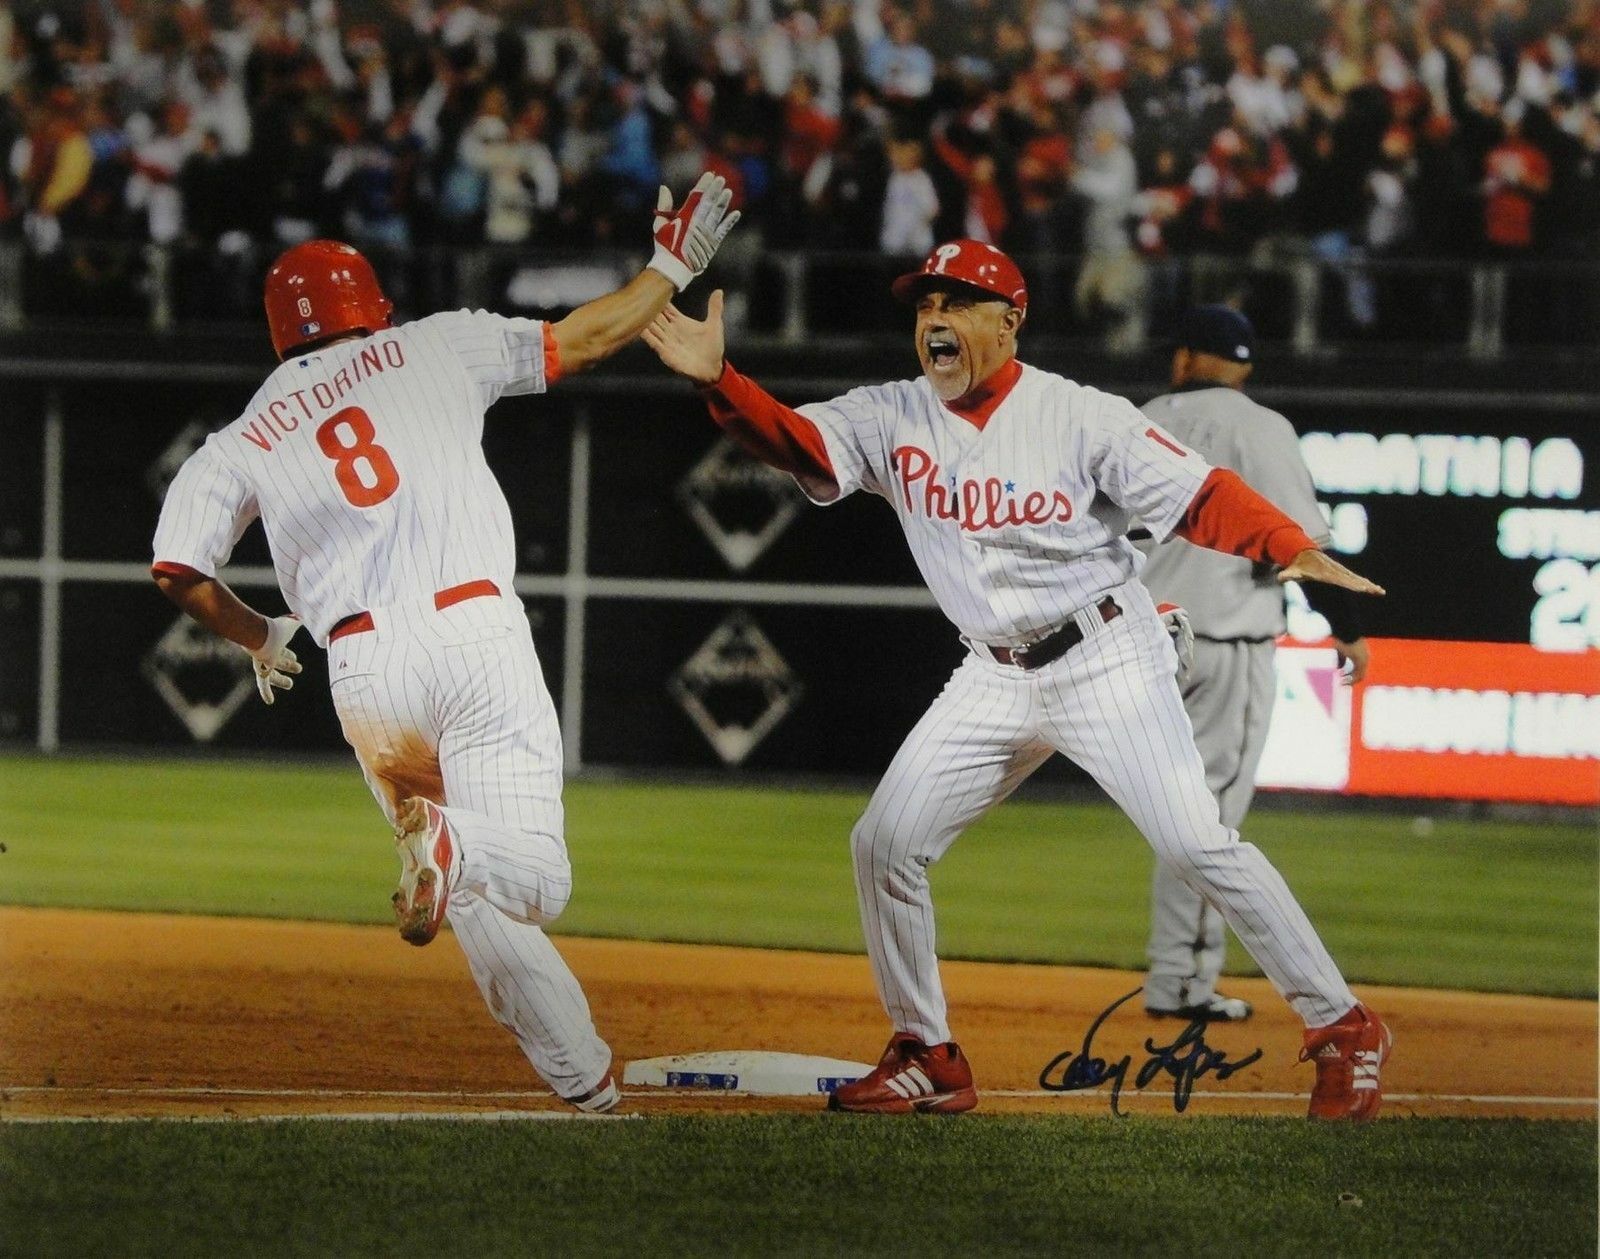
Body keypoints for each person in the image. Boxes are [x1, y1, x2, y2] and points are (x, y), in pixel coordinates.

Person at [642, 239, 1393, 1121]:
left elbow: (1196, 494)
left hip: (1106, 654)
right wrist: (719, 381)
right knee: (884, 842)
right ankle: (928, 1051)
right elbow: (798, 442)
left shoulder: (1079, 415)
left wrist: (1287, 546)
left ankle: (1343, 1025)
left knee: (1196, 843)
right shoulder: (892, 414)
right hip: (992, 669)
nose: (935, 321)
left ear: (1009, 321)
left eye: (957, 303)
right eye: (925, 306)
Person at [150, 173, 739, 1113]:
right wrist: (670, 264)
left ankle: (583, 1081)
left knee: (467, 896)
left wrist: (262, 636)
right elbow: (584, 337)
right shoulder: (430, 344)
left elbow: (176, 567)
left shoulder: (245, 433)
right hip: (472, 630)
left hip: (364, 670)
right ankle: (457, 844)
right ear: (370, 307)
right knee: (534, 879)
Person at [1136, 305, 1371, 1025]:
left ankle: (1175, 975)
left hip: (1138, 643)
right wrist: (1349, 630)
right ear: (1244, 365)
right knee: (1207, 824)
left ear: (1184, 358)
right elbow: (1302, 547)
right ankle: (1180, 981)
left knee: (1176, 815)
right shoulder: (1262, 427)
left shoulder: (1142, 417)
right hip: (1225, 644)